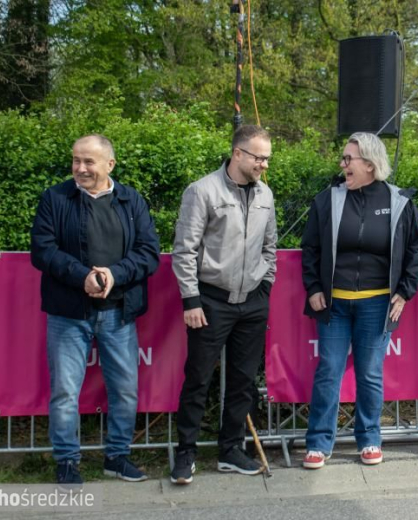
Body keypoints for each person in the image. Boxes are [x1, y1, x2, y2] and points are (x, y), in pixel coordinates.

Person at [31, 134, 160, 484]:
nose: (81, 168)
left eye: (89, 161)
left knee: (125, 390)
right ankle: (67, 462)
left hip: (119, 314)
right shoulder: (54, 198)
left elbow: (149, 253)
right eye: (76, 160)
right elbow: (42, 250)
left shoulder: (131, 200)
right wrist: (83, 276)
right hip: (68, 313)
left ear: (110, 165)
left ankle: (117, 457)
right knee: (64, 392)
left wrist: (113, 275)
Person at [300, 132, 418, 469]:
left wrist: (406, 289)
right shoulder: (327, 199)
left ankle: (369, 438)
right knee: (329, 371)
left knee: (369, 374)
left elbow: (417, 247)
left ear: (370, 165)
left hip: (377, 305)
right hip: (334, 306)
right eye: (343, 159)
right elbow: (310, 248)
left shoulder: (400, 201)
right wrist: (313, 288)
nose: (342, 165)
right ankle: (318, 443)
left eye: (348, 159)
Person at [170, 125, 277, 485]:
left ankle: (231, 450)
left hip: (252, 303)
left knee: (243, 382)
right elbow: (184, 250)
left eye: (267, 158)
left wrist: (265, 287)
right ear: (237, 154)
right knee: (198, 379)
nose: (263, 164)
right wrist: (191, 299)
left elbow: (270, 246)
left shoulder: (266, 194)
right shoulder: (202, 191)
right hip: (210, 303)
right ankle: (186, 453)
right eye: (258, 157)